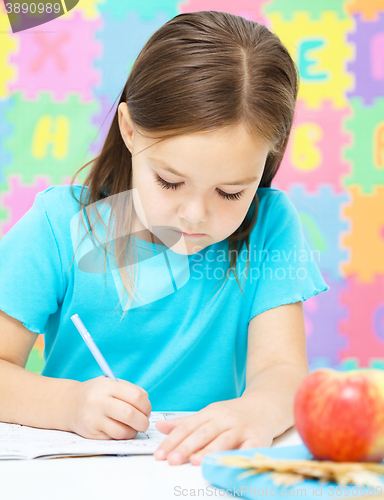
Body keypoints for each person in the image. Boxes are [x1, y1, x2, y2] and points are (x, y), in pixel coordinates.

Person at [0, 11, 329, 466]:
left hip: (198, 477)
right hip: (75, 474)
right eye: (170, 182)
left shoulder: (270, 228)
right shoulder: (59, 226)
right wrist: (69, 406)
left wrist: (256, 411)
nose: (195, 215)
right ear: (130, 130)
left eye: (231, 191)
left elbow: (283, 370)